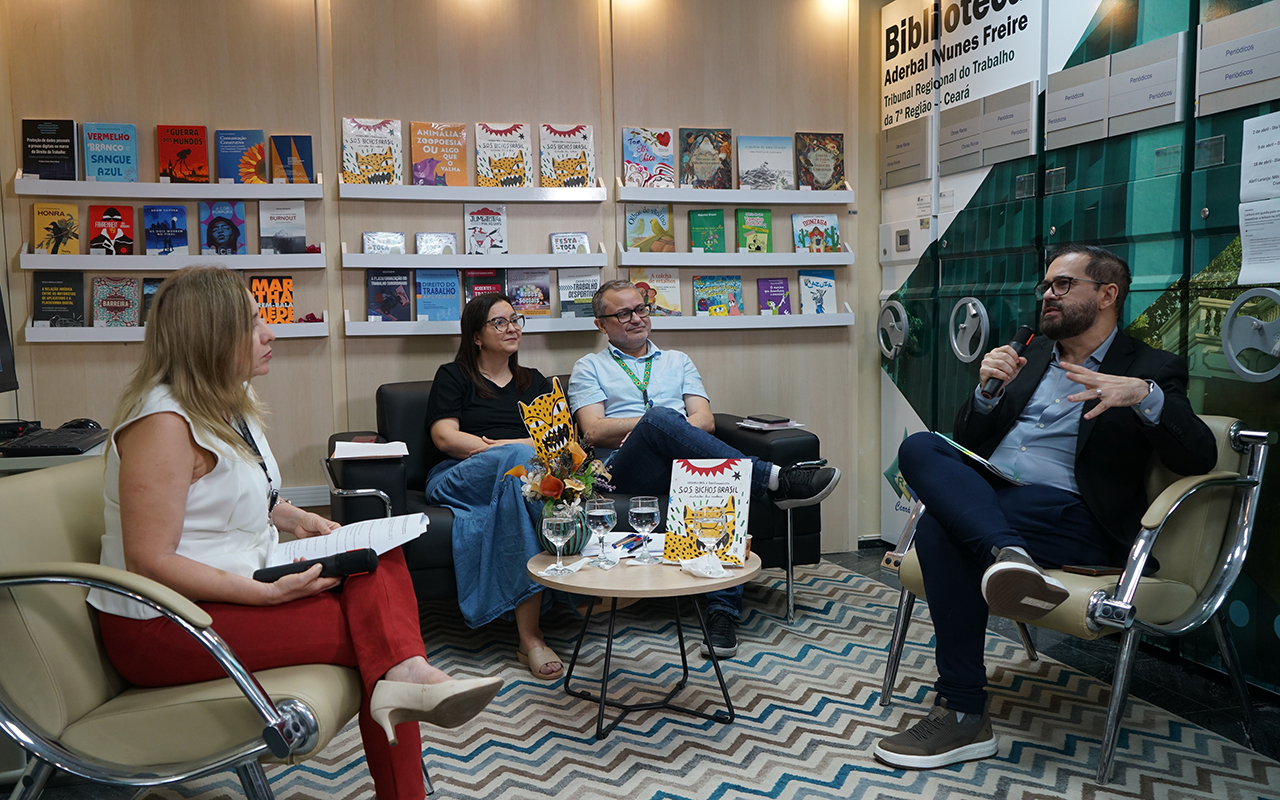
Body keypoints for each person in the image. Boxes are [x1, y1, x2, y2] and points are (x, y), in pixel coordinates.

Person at [87, 267, 501, 800]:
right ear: (209, 336)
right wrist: (264, 593)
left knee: (379, 557)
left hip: (231, 588)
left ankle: (408, 674)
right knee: (374, 637)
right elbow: (149, 562)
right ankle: (407, 692)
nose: (270, 332)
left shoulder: (224, 405)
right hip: (165, 625)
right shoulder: (164, 424)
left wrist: (292, 516)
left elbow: (227, 496)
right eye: (253, 323)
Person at [872, 244, 1218, 770]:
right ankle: (1007, 552)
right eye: (1046, 286)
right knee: (921, 447)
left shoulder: (1150, 367)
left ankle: (965, 712)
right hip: (1002, 502)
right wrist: (985, 394)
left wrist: (1145, 397)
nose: (1048, 296)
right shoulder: (1029, 358)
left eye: (1063, 285)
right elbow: (970, 441)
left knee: (941, 531)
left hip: (1075, 517)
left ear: (1107, 295)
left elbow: (1199, 454)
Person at [567, 280, 842, 659]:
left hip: (681, 461)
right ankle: (773, 479)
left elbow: (706, 421)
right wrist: (651, 428)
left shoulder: (677, 361)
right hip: (624, 471)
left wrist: (665, 431)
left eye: (641, 309)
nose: (636, 319)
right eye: (624, 314)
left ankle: (721, 616)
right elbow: (594, 429)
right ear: (601, 324)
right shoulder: (589, 367)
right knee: (661, 419)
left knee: (708, 481)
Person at [424, 293, 564, 680]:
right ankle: (533, 636)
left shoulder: (533, 380)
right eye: (499, 322)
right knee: (515, 465)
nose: (513, 327)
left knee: (520, 485)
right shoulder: (453, 376)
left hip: (523, 478)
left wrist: (508, 448)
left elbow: (556, 441)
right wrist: (510, 448)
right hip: (458, 476)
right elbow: (446, 438)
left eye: (516, 319)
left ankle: (529, 637)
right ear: (476, 336)